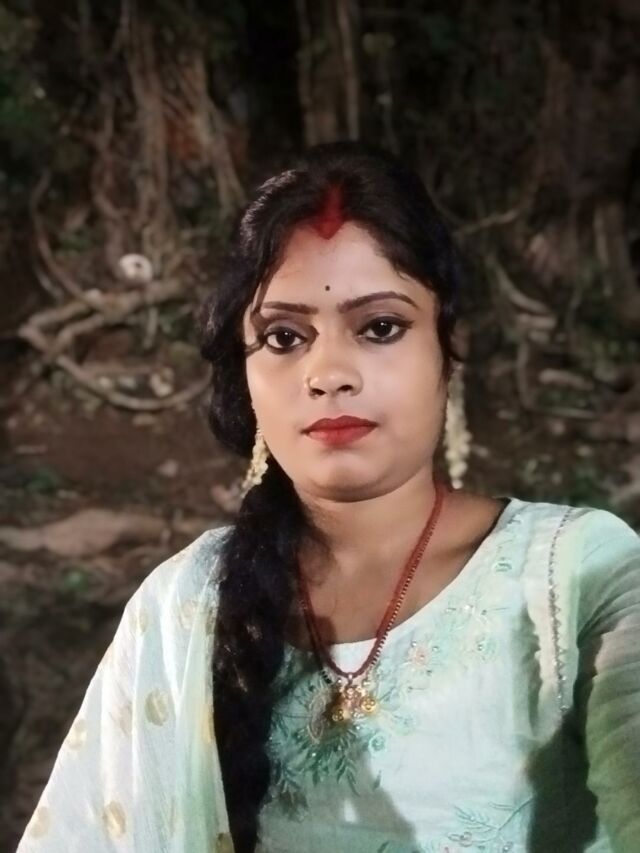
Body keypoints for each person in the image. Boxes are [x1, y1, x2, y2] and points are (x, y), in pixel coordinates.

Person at [16, 141, 640, 853]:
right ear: (246, 374)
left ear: (449, 351)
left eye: (380, 327)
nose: (328, 372)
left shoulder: (576, 578)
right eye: (284, 337)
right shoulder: (183, 606)